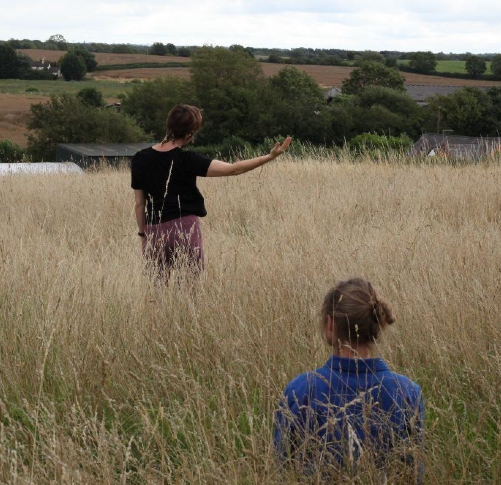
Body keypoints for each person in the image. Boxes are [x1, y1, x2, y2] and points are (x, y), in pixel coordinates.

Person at [274, 278, 424, 481]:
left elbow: (281, 469)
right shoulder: (407, 392)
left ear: (330, 324)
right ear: (377, 326)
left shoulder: (299, 390)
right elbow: (413, 475)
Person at [130, 104, 290, 280]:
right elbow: (233, 169)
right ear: (190, 135)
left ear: (169, 126)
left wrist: (143, 233)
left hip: (154, 231)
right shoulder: (188, 159)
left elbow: (139, 203)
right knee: (191, 288)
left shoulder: (140, 158)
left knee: (158, 291)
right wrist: (269, 156)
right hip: (185, 229)